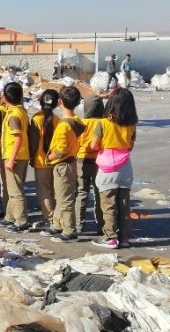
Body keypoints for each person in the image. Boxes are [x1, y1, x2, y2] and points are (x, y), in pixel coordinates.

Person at [91, 88, 138, 249]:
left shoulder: (102, 124)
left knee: (108, 205)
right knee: (124, 205)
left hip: (107, 169)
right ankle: (124, 238)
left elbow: (93, 145)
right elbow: (130, 146)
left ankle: (110, 237)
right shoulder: (131, 125)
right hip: (125, 167)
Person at [44, 86, 85, 243]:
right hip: (71, 161)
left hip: (62, 164)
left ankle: (69, 229)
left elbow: (60, 150)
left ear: (59, 102)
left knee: (65, 198)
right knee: (61, 196)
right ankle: (57, 224)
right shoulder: (77, 121)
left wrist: (49, 157)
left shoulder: (63, 125)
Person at [0, 82, 31, 233]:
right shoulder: (19, 110)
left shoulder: (13, 115)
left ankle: (21, 220)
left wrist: (11, 159)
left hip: (14, 156)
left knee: (15, 190)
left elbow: (18, 139)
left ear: (6, 97)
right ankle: (10, 216)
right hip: (19, 155)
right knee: (12, 189)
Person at [29, 89, 59, 231]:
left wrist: (31, 157)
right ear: (57, 104)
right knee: (53, 190)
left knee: (44, 192)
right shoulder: (58, 120)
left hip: (41, 161)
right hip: (55, 160)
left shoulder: (36, 119)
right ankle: (56, 217)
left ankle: (49, 218)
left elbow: (34, 143)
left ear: (40, 101)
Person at [76, 94, 105, 235]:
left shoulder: (82, 123)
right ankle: (101, 225)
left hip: (82, 160)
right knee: (99, 193)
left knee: (82, 192)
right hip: (100, 160)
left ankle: (78, 225)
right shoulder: (104, 123)